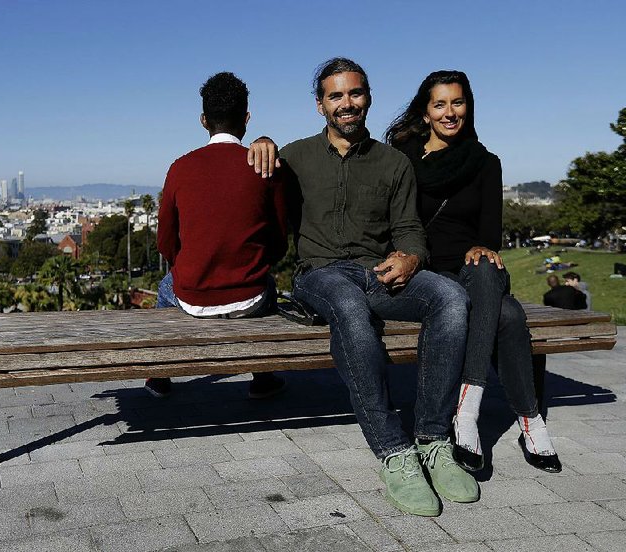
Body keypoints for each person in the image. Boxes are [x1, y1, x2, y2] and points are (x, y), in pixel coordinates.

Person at [248, 58, 478, 516]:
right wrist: (263, 142)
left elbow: (410, 228)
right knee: (350, 309)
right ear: (320, 106)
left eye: (355, 93)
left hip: (377, 273)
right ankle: (394, 451)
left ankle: (432, 440)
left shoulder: (393, 162)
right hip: (319, 274)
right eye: (336, 96)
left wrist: (411, 257)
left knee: (452, 297)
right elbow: (254, 200)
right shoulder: (295, 157)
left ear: (368, 97)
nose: (346, 103)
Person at [385, 70, 562, 474]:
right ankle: (531, 420)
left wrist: (483, 248)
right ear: (425, 112)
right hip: (428, 272)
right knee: (510, 315)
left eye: (458, 103)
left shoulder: (485, 162)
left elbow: (490, 234)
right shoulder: (403, 156)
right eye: (440, 104)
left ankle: (467, 411)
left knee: (483, 264)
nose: (450, 112)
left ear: (469, 107)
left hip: (473, 268)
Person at [152, 71, 288, 400]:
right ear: (246, 118)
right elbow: (279, 240)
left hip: (193, 296)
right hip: (251, 298)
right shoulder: (266, 168)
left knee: (163, 287)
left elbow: (165, 242)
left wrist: (186, 265)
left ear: (203, 120)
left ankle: (158, 375)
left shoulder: (181, 167)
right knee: (269, 284)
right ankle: (264, 378)